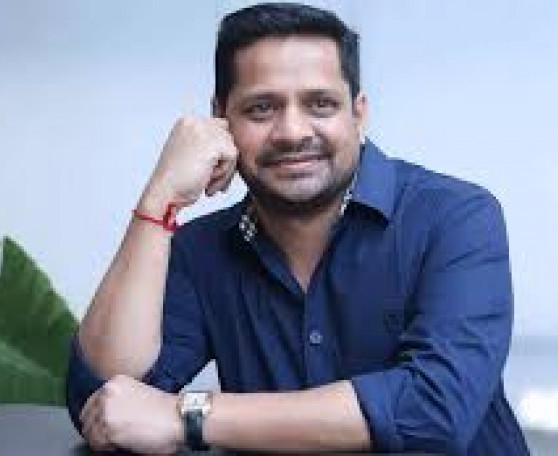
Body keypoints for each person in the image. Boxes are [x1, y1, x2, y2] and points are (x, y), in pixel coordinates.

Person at [66, 3, 530, 454]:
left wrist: (188, 416)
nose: (292, 131)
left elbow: (433, 409)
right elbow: (108, 403)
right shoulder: (200, 251)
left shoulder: (456, 218)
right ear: (221, 120)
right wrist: (160, 199)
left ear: (359, 114)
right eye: (261, 108)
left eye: (320, 104)